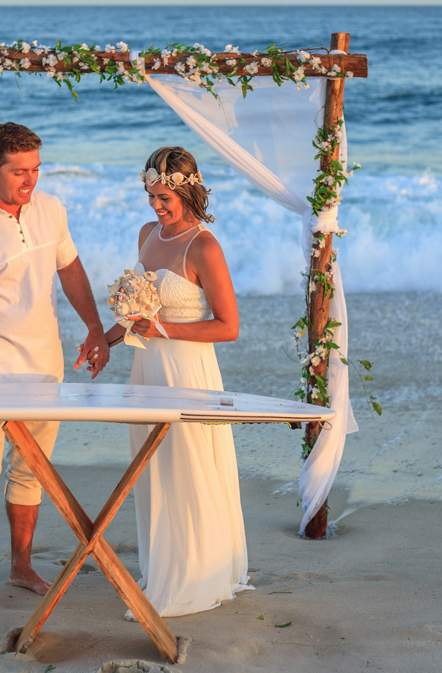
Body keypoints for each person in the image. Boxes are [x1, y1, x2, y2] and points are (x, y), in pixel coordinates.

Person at [0, 122, 110, 604]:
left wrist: (95, 328)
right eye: (18, 172)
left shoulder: (50, 209)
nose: (29, 181)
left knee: (32, 471)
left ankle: (20, 565)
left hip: (46, 367)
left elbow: (69, 268)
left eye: (35, 169)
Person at [101, 146, 252, 618]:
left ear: (187, 191)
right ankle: (163, 566)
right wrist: (105, 341)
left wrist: (165, 329)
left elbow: (228, 326)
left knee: (188, 464)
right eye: (150, 196)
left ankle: (197, 573)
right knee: (153, 467)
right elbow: (138, 311)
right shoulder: (148, 234)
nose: (155, 207)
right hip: (147, 371)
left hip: (188, 372)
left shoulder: (203, 246)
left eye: (163, 196)